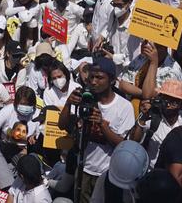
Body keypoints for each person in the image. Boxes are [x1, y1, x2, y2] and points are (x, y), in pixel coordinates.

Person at [58, 57, 135, 203]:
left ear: (112, 80)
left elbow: (124, 146)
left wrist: (102, 125)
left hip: (109, 174)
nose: (93, 82)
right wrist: (68, 103)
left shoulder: (124, 107)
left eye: (99, 78)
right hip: (84, 170)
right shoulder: (84, 99)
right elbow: (62, 125)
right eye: (91, 77)